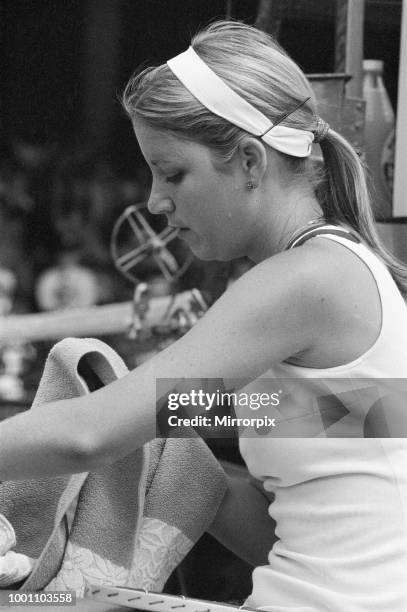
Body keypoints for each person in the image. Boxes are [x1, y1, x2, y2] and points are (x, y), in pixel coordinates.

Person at [1, 20, 407, 611]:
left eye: (172, 172)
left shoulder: (304, 281)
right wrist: (180, 466)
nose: (153, 201)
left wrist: (125, 420)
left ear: (248, 162)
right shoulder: (334, 280)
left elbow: (88, 434)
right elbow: (314, 528)